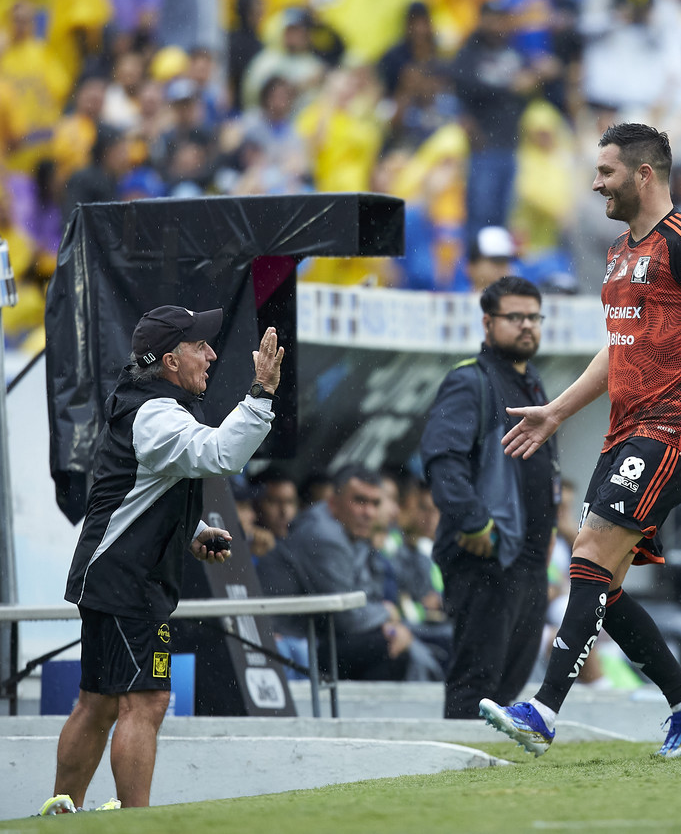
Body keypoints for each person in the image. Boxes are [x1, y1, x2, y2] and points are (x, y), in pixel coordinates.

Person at [479, 122, 681, 758]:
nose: (594, 183)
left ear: (644, 175)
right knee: (597, 579)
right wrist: (557, 410)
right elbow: (619, 349)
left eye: (605, 172)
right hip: (624, 431)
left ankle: (543, 711)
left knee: (592, 552)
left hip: (675, 429)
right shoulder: (618, 253)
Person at [41, 307, 283, 814]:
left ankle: (62, 812)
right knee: (144, 702)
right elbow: (220, 454)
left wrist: (190, 530)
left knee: (100, 701)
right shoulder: (156, 413)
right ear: (171, 360)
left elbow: (132, 491)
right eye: (201, 346)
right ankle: (135, 821)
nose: (212, 354)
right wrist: (259, 394)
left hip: (111, 573)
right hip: (128, 580)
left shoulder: (147, 404)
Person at [420, 275, 560, 719]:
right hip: (486, 557)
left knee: (511, 680)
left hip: (529, 560)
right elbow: (443, 459)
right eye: (514, 317)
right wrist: (473, 522)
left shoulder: (532, 382)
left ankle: (489, 775)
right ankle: (456, 773)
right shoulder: (471, 381)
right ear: (487, 323)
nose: (526, 326)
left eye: (534, 317)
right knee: (476, 681)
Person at [260, 466, 438, 681]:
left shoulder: (350, 531)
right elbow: (347, 618)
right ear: (334, 502)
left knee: (426, 641)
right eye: (360, 501)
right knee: (387, 647)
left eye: (375, 503)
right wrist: (387, 614)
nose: (368, 512)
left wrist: (389, 621)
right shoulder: (324, 536)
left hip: (317, 637)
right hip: (287, 643)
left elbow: (368, 594)